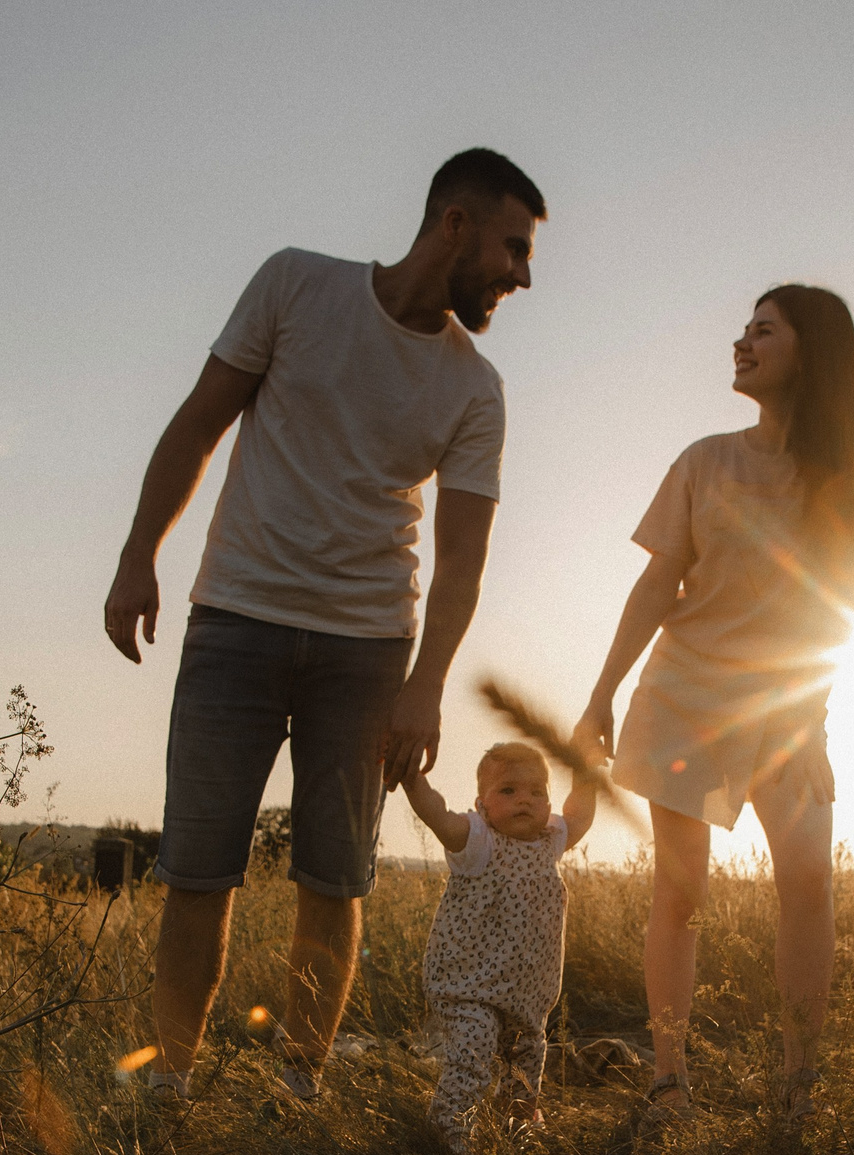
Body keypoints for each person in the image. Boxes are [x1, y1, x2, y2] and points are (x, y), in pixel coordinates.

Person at [102, 148, 545, 1106]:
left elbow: (463, 559)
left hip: (367, 655)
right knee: (197, 868)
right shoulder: (295, 284)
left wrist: (426, 683)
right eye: (513, 246)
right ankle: (168, 1085)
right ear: (454, 223)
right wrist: (140, 553)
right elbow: (199, 423)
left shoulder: (477, 390)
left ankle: (297, 1087)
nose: (523, 273)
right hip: (236, 622)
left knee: (335, 880)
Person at [573, 286, 854, 1123]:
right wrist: (601, 693)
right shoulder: (704, 460)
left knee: (808, 879)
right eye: (743, 329)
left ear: (812, 351)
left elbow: (842, 606)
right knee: (680, 894)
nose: (740, 342)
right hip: (684, 696)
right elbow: (656, 583)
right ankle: (669, 1084)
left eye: (763, 330)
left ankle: (797, 1085)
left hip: (785, 709)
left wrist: (812, 715)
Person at [397, 741, 601, 1155]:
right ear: (482, 804)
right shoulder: (478, 841)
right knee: (474, 1044)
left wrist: (585, 772)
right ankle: (450, 1127)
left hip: (527, 995)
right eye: (508, 790)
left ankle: (517, 1129)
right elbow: (437, 814)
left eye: (537, 791)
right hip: (467, 985)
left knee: (526, 1061)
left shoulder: (550, 841)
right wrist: (411, 778)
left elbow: (579, 815)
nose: (525, 799)